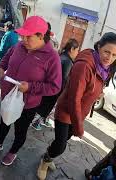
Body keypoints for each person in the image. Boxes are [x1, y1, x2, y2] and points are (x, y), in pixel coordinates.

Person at [37, 32, 116, 180]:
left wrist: (97, 93)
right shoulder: (85, 66)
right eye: (107, 52)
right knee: (61, 145)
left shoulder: (103, 68)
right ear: (99, 47)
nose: (109, 58)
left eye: (114, 55)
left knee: (63, 140)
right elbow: (74, 99)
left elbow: (93, 85)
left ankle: (49, 155)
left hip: (79, 113)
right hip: (67, 111)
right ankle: (45, 160)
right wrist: (79, 127)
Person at [0, 16, 62, 166]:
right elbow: (4, 60)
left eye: (28, 36)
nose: (23, 39)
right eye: (23, 35)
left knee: (20, 130)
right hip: (8, 96)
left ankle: (13, 151)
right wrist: (0, 70)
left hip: (28, 103)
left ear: (40, 36)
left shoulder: (52, 57)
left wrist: (30, 87)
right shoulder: (19, 46)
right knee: (4, 122)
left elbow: (55, 86)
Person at [31, 38, 80, 130]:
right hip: (55, 89)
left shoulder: (61, 56)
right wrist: (62, 94)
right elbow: (64, 79)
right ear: (72, 49)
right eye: (77, 50)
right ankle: (35, 122)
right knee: (46, 107)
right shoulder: (68, 61)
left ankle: (38, 121)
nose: (77, 53)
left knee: (43, 104)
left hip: (48, 85)